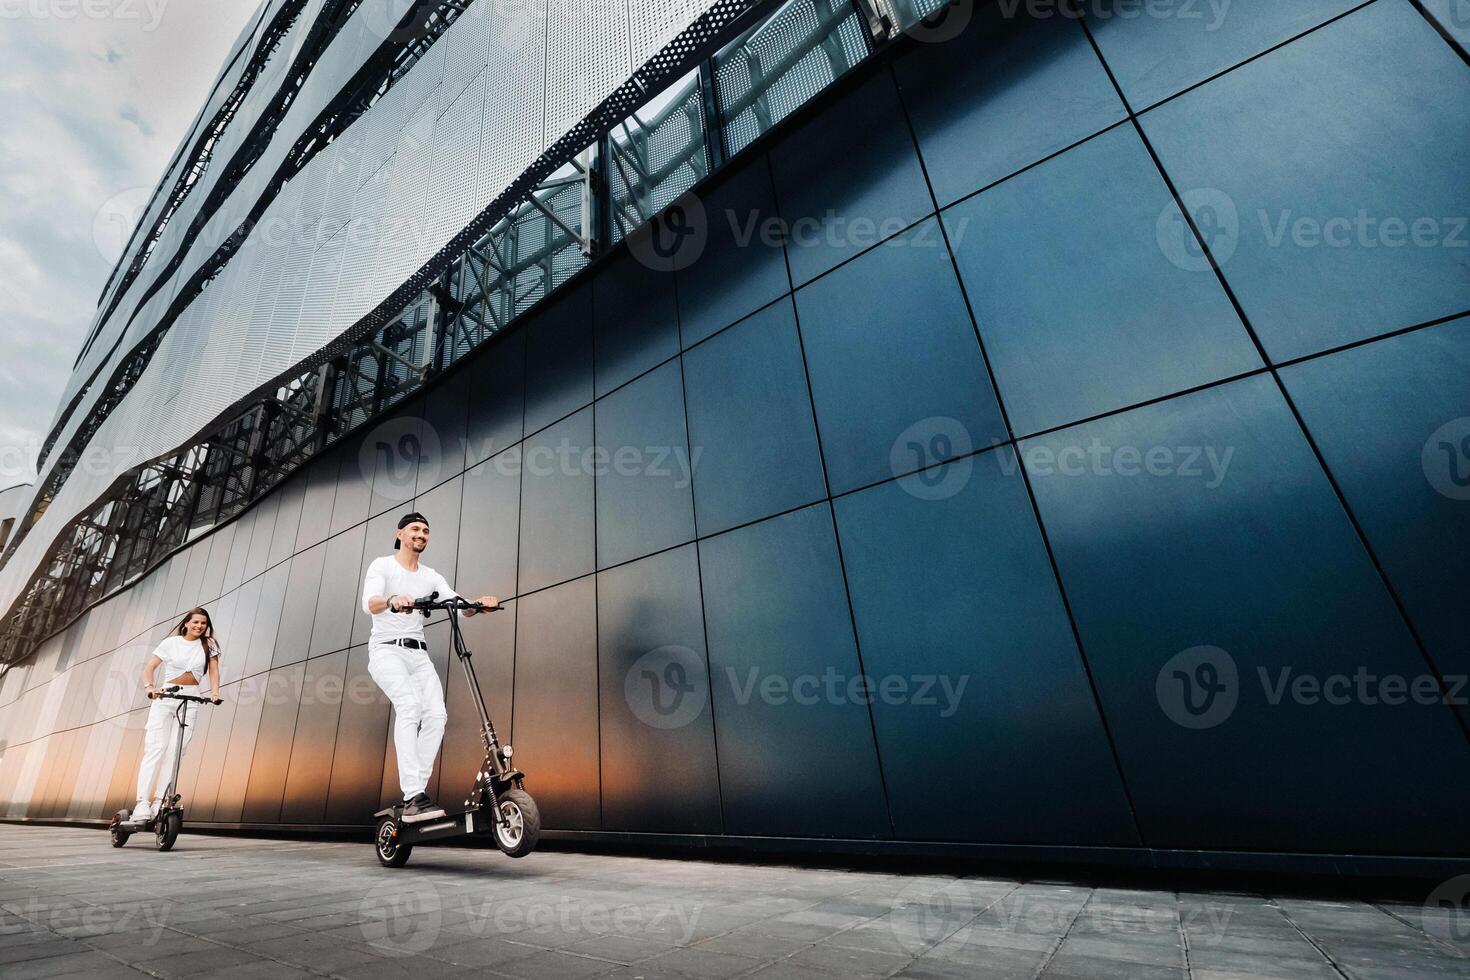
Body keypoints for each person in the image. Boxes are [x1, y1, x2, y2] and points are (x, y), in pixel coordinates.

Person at [362, 512, 497, 821]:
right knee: (410, 706)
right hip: (386, 651)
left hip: (418, 655)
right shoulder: (382, 565)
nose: (421, 534)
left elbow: (459, 606)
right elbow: (369, 602)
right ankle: (413, 794)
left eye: (425, 530)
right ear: (399, 533)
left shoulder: (431, 576)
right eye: (414, 529)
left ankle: (416, 797)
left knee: (436, 715)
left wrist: (480, 604)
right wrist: (393, 599)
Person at [132, 608, 222, 822]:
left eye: (203, 623)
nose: (199, 626)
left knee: (176, 751)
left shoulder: (209, 644)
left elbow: (214, 670)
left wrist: (215, 693)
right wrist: (150, 688)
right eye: (196, 622)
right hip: (166, 696)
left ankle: (159, 801)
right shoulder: (170, 643)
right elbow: (150, 667)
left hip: (191, 697)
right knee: (156, 747)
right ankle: (142, 802)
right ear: (186, 623)